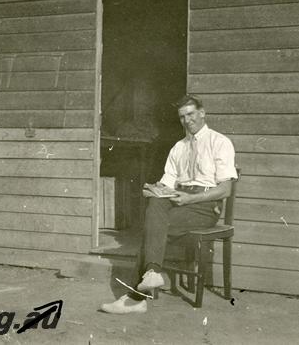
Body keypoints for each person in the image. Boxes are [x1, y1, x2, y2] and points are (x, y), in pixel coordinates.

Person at [100, 95, 237, 314]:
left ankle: (136, 298)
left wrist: (190, 198)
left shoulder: (219, 142)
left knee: (152, 228)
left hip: (204, 206)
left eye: (191, 114)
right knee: (155, 203)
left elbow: (225, 190)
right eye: (182, 117)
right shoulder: (178, 147)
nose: (187, 120)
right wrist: (155, 189)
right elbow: (167, 182)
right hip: (178, 200)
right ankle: (151, 274)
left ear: (202, 113)